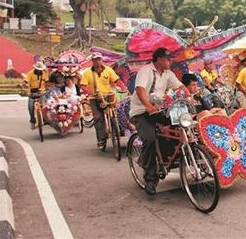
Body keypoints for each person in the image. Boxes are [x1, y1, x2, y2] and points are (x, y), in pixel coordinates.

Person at [129, 48, 187, 196]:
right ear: (159, 59)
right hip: (141, 112)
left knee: (180, 127)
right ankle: (150, 179)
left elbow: (180, 87)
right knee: (149, 139)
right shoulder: (146, 71)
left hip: (159, 111)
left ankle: (169, 157)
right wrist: (148, 107)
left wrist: (187, 96)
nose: (170, 61)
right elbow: (140, 89)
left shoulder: (168, 74)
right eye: (168, 58)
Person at [80, 52, 127, 149]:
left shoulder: (109, 70)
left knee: (118, 111)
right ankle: (101, 139)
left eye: (99, 59)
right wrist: (89, 92)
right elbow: (83, 85)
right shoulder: (87, 72)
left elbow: (117, 80)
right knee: (98, 118)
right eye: (95, 60)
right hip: (94, 98)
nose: (97, 62)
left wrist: (123, 88)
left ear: (102, 60)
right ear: (92, 61)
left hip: (108, 95)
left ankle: (120, 130)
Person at [23, 60, 49, 129]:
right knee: (30, 106)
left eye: (40, 69)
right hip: (32, 93)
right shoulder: (30, 73)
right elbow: (26, 81)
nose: (39, 70)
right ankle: (32, 120)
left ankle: (45, 118)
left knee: (45, 105)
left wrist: (47, 88)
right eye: (38, 69)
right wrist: (25, 85)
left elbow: (47, 82)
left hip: (41, 92)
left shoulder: (44, 73)